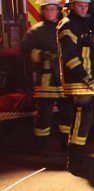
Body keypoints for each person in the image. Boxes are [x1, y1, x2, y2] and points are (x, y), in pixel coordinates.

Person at [21, 0, 72, 155]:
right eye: (48, 9)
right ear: (42, 11)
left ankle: (66, 144)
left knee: (67, 113)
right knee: (44, 114)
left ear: (58, 10)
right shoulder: (35, 32)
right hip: (46, 79)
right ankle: (42, 146)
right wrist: (42, 55)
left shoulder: (64, 28)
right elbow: (26, 53)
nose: (51, 12)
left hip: (64, 78)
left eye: (53, 9)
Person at [57, 0, 94, 174]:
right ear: (72, 6)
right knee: (80, 122)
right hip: (78, 82)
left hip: (86, 81)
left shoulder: (82, 25)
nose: (84, 8)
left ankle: (78, 158)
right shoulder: (68, 25)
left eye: (86, 5)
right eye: (79, 5)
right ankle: (75, 161)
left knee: (84, 122)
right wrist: (85, 77)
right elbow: (69, 56)